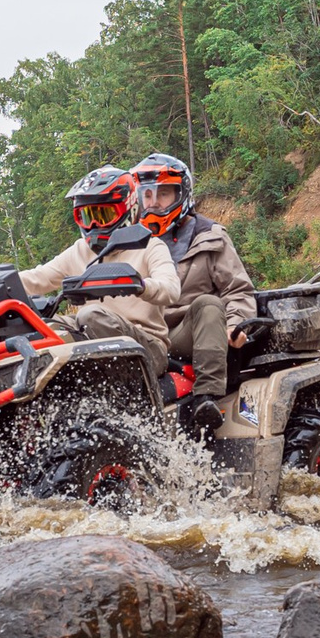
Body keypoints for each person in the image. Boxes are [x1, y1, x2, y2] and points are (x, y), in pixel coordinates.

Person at [129, 151, 257, 432]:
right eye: (146, 195)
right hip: (141, 332)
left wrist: (235, 325)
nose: (153, 203)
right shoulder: (126, 241)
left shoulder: (209, 236)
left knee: (208, 304)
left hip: (185, 332)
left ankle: (206, 398)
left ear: (182, 194)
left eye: (163, 194)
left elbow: (238, 289)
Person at [18, 166, 181, 381]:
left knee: (90, 315)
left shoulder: (151, 246)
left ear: (129, 209)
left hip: (148, 348)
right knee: (43, 325)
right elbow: (38, 278)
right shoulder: (80, 250)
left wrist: (140, 285)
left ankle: (119, 387)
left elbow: (171, 289)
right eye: (87, 217)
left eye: (103, 215)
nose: (94, 224)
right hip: (94, 342)